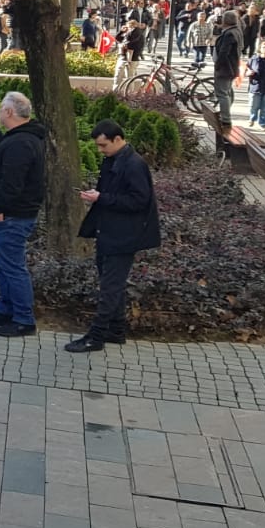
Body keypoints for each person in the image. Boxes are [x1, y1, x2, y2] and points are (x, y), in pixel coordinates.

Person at [70, 120, 161, 354]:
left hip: (123, 235)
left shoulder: (133, 165)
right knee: (113, 285)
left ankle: (97, 336)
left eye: (103, 145)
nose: (100, 150)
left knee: (110, 287)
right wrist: (98, 196)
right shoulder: (115, 160)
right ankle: (116, 330)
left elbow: (139, 201)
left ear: (118, 139)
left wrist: (101, 198)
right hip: (110, 231)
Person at [0, 91, 47, 338]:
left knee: (13, 268)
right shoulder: (21, 138)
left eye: (1, 112)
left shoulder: (22, 142)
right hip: (11, 216)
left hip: (11, 217)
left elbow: (12, 183)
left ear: (8, 112)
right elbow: (1, 149)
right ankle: (5, 310)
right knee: (5, 266)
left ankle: (24, 319)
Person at [214, 10, 243, 128]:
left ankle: (225, 119)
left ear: (226, 21)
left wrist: (218, 65)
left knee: (222, 93)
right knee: (227, 91)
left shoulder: (229, 34)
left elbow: (224, 52)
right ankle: (225, 115)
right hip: (232, 67)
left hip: (226, 68)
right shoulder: (237, 31)